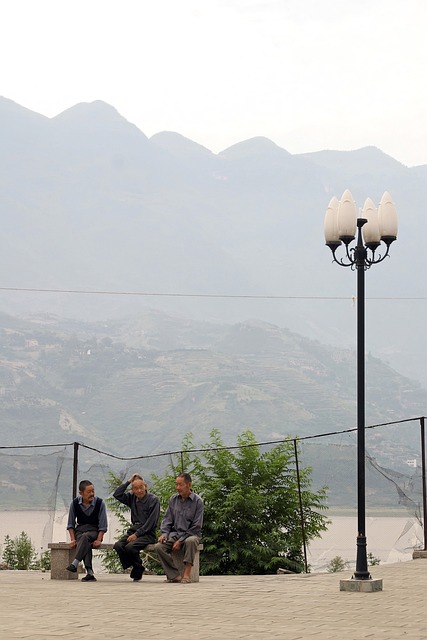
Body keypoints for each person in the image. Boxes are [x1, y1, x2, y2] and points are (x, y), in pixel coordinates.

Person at [155, 472, 204, 584]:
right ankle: (174, 575)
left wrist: (181, 541)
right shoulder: (173, 499)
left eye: (180, 485)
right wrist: (164, 534)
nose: (178, 488)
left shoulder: (198, 501)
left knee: (190, 541)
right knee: (159, 547)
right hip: (175, 534)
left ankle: (187, 574)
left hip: (191, 534)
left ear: (189, 485)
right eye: (176, 484)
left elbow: (196, 526)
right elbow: (167, 520)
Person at [113, 473, 160, 581]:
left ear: (145, 487)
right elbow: (117, 494)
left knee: (130, 547)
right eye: (136, 488)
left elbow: (151, 523)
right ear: (132, 490)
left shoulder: (153, 500)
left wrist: (137, 535)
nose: (139, 491)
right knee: (118, 545)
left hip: (148, 533)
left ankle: (137, 568)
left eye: (141, 487)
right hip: (134, 530)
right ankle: (137, 566)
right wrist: (129, 481)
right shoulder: (132, 498)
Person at [66, 479, 108, 582]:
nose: (92, 494)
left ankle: (75, 563)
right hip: (80, 531)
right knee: (84, 540)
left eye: (93, 491)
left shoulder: (100, 503)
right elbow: (70, 524)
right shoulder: (75, 503)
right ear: (81, 493)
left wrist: (99, 539)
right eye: (89, 492)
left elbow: (103, 525)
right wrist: (72, 539)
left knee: (85, 537)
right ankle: (89, 573)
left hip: (94, 531)